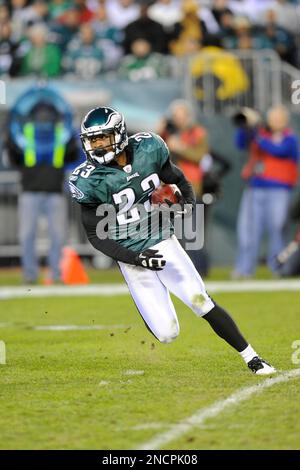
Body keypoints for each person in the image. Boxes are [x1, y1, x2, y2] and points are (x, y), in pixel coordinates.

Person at [69, 105, 276, 376]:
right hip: (130, 255)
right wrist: (135, 258)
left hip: (160, 238)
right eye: (92, 140)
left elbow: (177, 178)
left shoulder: (148, 148)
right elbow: (96, 235)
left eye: (102, 138)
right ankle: (152, 301)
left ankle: (253, 358)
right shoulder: (88, 179)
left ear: (118, 134)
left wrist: (187, 203)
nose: (96, 146)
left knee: (199, 299)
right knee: (167, 334)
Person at [6, 86, 79, 283]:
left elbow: (72, 154)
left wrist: (69, 131)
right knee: (27, 236)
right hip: (30, 191)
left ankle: (55, 274)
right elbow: (13, 154)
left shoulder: (60, 134)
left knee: (58, 236)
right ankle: (30, 275)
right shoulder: (26, 133)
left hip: (53, 191)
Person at [233, 105, 299, 278]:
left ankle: (277, 267)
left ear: (285, 121)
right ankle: (244, 269)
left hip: (279, 190)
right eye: (272, 118)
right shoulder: (260, 134)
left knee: (277, 229)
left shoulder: (290, 138)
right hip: (255, 188)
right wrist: (247, 126)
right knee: (248, 230)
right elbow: (240, 143)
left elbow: (278, 150)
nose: (275, 122)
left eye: (279, 119)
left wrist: (257, 134)